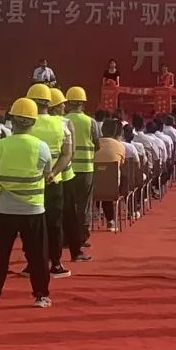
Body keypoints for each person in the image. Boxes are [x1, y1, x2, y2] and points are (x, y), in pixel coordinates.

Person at [0, 97, 52, 309]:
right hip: (33, 209)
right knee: (38, 255)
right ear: (33, 121)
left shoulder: (0, 146)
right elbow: (46, 172)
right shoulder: (41, 147)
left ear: (12, 119)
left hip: (5, 209)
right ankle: (41, 295)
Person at [26, 84, 72, 278]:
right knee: (54, 224)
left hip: (30, 182)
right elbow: (67, 154)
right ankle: (56, 263)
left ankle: (32, 264)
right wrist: (53, 173)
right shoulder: (61, 125)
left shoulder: (26, 124)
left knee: (31, 225)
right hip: (54, 181)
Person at [49, 88, 89, 263]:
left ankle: (48, 254)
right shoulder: (66, 124)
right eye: (61, 104)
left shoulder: (35, 123)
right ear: (55, 106)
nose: (64, 107)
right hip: (64, 175)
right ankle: (75, 251)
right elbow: (70, 153)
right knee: (70, 215)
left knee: (49, 218)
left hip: (44, 177)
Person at [64, 87, 99, 250]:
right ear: (83, 104)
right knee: (84, 204)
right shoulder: (90, 122)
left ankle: (66, 236)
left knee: (67, 204)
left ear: (68, 103)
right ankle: (81, 237)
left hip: (66, 169)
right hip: (86, 168)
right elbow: (97, 144)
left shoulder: (63, 120)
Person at [94, 118, 126, 231]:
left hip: (94, 184)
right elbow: (122, 164)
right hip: (113, 185)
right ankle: (111, 219)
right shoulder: (120, 146)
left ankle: (107, 217)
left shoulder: (94, 143)